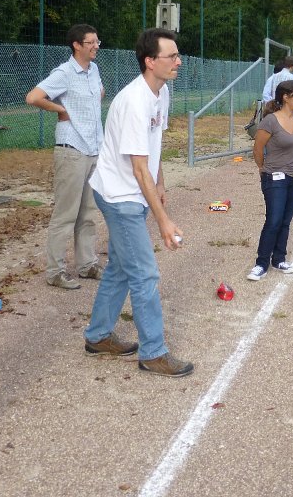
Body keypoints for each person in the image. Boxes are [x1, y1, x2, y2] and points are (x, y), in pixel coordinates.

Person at [83, 28, 193, 378]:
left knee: (119, 267)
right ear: (150, 61)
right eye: (171, 56)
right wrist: (163, 220)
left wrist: (161, 185)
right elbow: (138, 167)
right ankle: (153, 353)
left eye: (178, 55)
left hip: (134, 191)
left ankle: (98, 335)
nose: (178, 61)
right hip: (119, 196)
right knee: (144, 274)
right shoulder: (134, 101)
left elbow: (153, 144)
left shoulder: (161, 92)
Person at [25, 24, 105, 290]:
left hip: (93, 149)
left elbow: (100, 92)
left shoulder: (94, 70)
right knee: (66, 214)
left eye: (97, 41)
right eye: (91, 42)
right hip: (72, 149)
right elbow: (33, 97)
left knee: (88, 213)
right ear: (76, 45)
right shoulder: (64, 73)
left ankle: (87, 265)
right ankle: (55, 272)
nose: (96, 46)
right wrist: (60, 109)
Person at [247, 80, 293, 281]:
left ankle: (279, 258)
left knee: (285, 221)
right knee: (273, 220)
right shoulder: (270, 121)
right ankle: (261, 263)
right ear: (286, 97)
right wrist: (263, 169)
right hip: (274, 177)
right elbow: (258, 149)